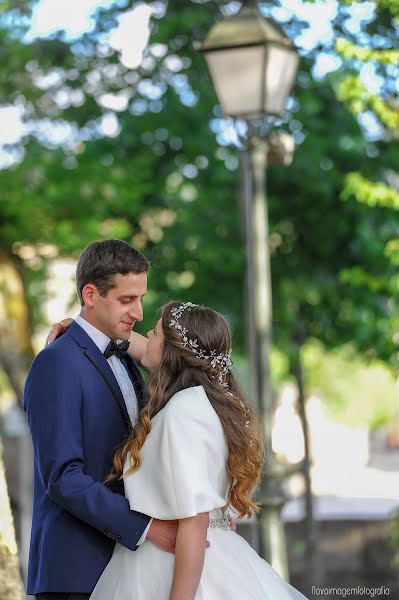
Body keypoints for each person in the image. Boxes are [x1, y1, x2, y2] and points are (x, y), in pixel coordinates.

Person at [52, 300, 309, 599]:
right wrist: (88, 331)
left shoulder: (182, 412)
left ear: (172, 353)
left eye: (156, 333)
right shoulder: (200, 403)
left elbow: (194, 521)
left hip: (169, 565)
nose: (147, 334)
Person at [24, 239, 179, 600]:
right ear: (90, 295)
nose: (139, 312)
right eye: (127, 300)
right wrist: (147, 528)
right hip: (75, 572)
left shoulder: (123, 353)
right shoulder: (56, 363)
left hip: (128, 568)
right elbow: (63, 478)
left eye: (140, 298)